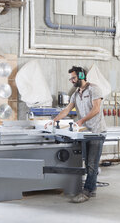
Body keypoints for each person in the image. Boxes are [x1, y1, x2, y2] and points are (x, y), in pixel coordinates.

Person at [45, 66, 106, 203]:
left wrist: (82, 120)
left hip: (96, 132)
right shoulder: (75, 94)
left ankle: (87, 192)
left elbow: (96, 109)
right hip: (85, 133)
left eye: (74, 78)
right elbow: (66, 110)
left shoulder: (94, 89)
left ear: (82, 76)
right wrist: (53, 121)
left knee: (91, 163)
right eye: (70, 78)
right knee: (87, 162)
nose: (72, 80)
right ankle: (92, 188)